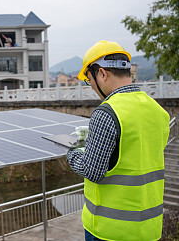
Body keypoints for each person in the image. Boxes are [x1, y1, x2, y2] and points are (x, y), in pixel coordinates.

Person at [66, 40, 170, 240]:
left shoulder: (106, 112)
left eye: (90, 80)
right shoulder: (158, 111)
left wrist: (73, 153)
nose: (92, 88)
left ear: (102, 74)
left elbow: (92, 171)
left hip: (108, 231)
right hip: (149, 228)